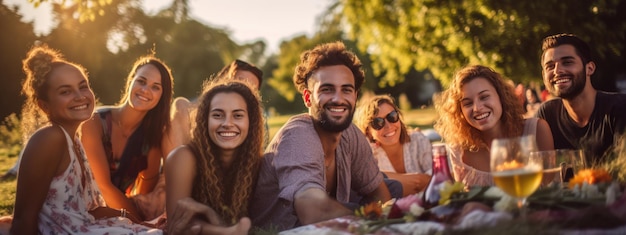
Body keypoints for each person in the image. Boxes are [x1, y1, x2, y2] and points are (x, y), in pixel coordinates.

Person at [8, 45, 160, 234]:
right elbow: (24, 219)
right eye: (65, 92)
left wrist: (135, 221)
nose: (80, 96)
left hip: (87, 227)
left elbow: (91, 210)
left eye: (83, 87)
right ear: (44, 105)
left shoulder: (76, 142)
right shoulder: (50, 139)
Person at [249, 41, 392, 231]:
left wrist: (386, 218)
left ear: (355, 96)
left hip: (323, 225)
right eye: (327, 89)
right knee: (357, 209)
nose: (338, 99)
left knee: (394, 187)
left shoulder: (349, 134)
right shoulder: (297, 136)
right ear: (308, 97)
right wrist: (380, 226)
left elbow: (379, 192)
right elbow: (313, 211)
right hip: (286, 229)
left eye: (346, 90)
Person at [81, 55, 173, 221]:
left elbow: (143, 193)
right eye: (141, 81)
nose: (145, 90)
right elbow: (103, 186)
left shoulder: (151, 141)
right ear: (131, 80)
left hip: (116, 214)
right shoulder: (94, 122)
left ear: (162, 96)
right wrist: (141, 225)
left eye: (155, 87)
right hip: (78, 205)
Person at [165, 81, 264, 235]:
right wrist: (229, 231)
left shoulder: (257, 163)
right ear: (205, 120)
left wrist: (209, 214)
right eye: (218, 115)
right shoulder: (182, 158)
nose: (227, 124)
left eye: (237, 115)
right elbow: (176, 226)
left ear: (251, 122)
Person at [434, 65, 554, 187]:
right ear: (460, 111)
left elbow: (552, 191)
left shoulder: (537, 131)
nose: (477, 108)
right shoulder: (459, 151)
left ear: (501, 96)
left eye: (484, 97)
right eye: (468, 103)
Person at [536, 33, 626, 166]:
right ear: (544, 76)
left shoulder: (619, 108)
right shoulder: (547, 115)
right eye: (550, 66)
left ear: (589, 68)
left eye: (567, 62)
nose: (557, 71)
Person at [162, 59, 263, 157]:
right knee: (180, 104)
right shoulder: (189, 111)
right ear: (225, 80)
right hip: (187, 164)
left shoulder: (254, 123)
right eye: (239, 81)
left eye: (251, 88)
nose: (243, 89)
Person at [354, 94, 432, 196]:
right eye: (378, 122)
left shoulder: (418, 141)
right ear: (368, 131)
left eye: (392, 116)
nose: (388, 126)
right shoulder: (367, 154)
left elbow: (440, 180)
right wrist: (418, 180)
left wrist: (386, 178)